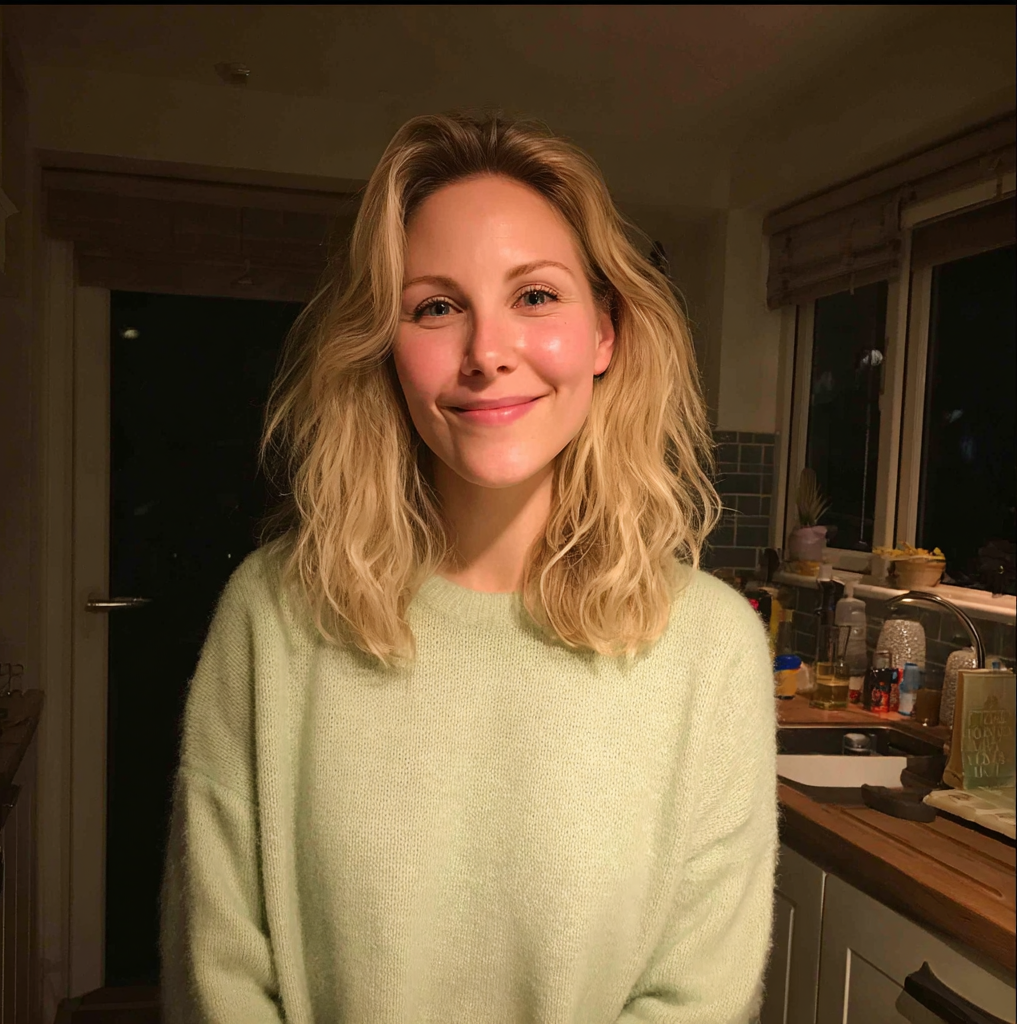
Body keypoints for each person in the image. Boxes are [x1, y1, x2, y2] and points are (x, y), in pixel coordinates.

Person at [160, 112, 778, 1024]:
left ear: (606, 334)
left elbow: (699, 995)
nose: (487, 352)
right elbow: (219, 970)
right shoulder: (274, 613)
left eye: (535, 296)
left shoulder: (711, 646)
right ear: (385, 346)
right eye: (437, 306)